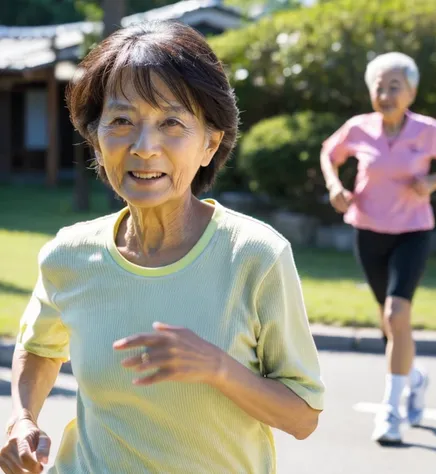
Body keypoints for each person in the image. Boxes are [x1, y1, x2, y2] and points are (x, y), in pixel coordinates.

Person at [0, 21, 324, 474]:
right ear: (96, 139)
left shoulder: (256, 256)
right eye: (121, 121)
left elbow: (303, 417)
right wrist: (22, 417)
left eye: (171, 122)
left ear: (210, 144)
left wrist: (217, 367)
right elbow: (38, 348)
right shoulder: (68, 256)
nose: (144, 146)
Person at [320, 52, 436, 444]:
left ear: (411, 91)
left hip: (412, 232)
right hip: (368, 231)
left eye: (394, 86)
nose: (385, 94)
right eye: (379, 87)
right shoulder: (359, 128)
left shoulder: (428, 130)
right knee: (390, 325)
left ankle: (390, 412)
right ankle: (414, 379)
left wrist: (433, 183)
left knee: (396, 312)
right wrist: (335, 186)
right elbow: (329, 154)